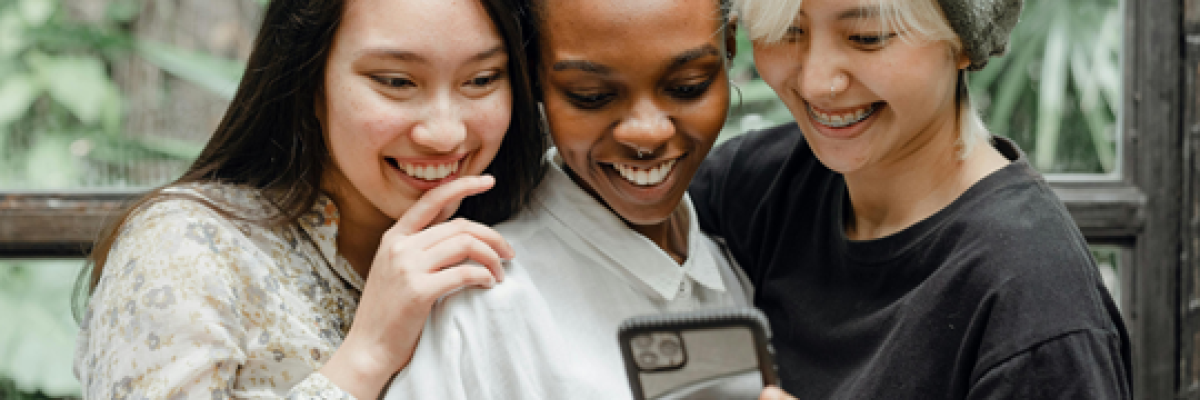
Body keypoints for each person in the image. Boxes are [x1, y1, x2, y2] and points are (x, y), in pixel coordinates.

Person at [72, 0, 547, 397]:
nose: (445, 133)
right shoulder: (186, 250)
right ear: (307, 80)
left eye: (482, 79)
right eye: (396, 81)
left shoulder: (536, 236)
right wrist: (367, 355)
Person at [690, 0, 1132, 397]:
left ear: (961, 42)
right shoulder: (759, 182)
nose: (817, 80)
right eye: (790, 32)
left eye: (867, 38)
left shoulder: (1034, 298)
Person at [381, 0, 781, 398]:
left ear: (730, 45)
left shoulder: (740, 254)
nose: (647, 132)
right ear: (532, 75)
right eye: (591, 96)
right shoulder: (483, 304)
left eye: (686, 87)